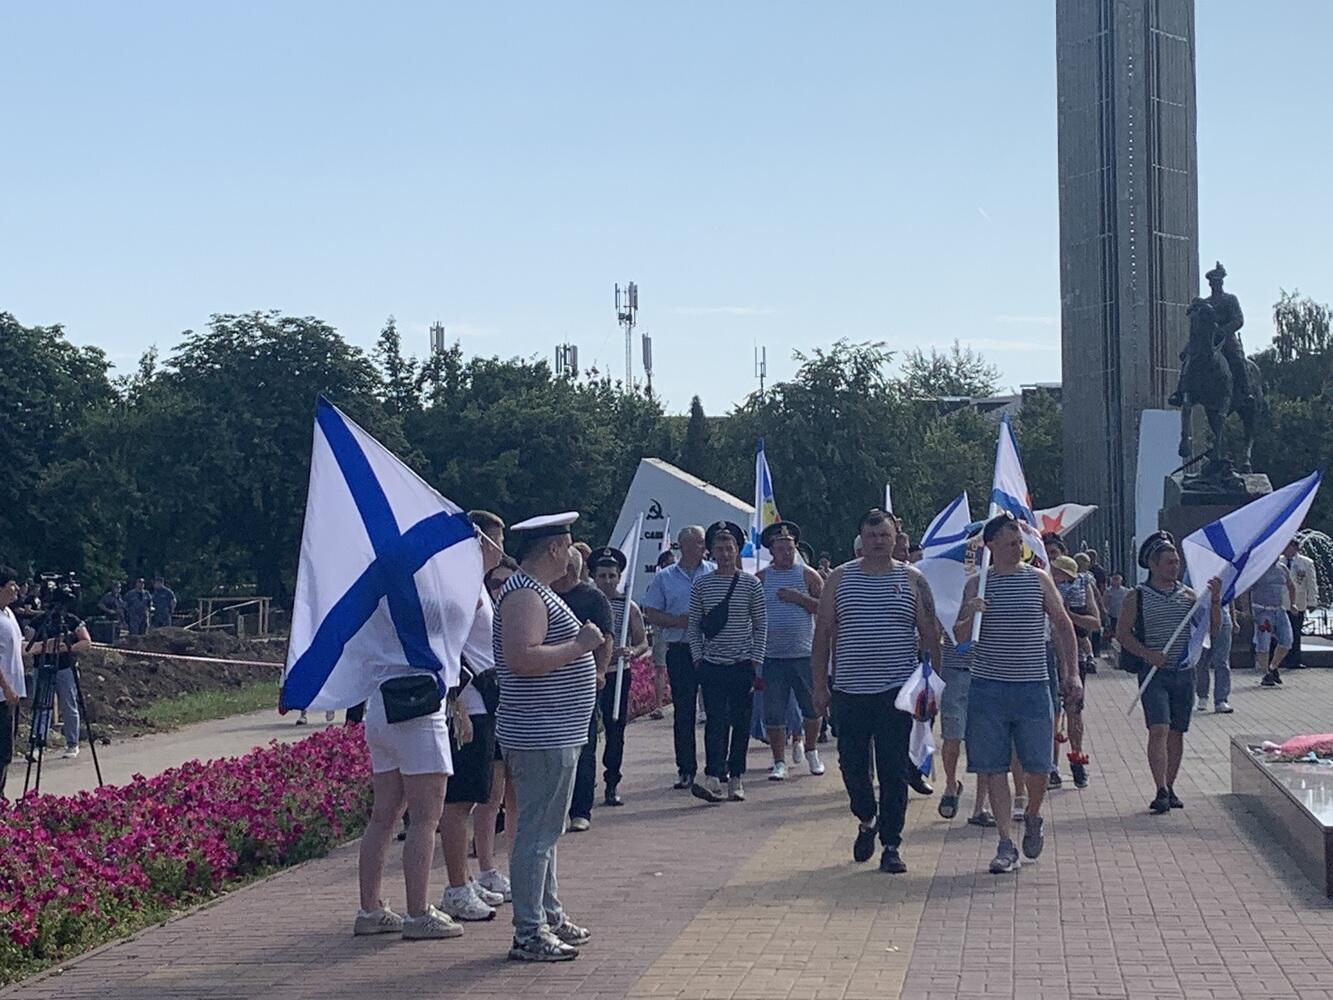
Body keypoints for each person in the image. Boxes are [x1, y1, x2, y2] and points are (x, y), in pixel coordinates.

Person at [495, 511, 601, 962]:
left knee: (545, 832)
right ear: (554, 548)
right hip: (541, 732)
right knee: (536, 835)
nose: (574, 553)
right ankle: (528, 931)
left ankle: (548, 914)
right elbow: (522, 658)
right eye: (569, 545)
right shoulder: (525, 595)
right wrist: (579, 647)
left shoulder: (535, 591)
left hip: (554, 730)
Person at [812, 508, 940, 874]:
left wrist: (933, 687)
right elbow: (822, 634)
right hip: (850, 691)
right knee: (853, 767)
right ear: (861, 540)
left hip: (896, 692)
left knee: (894, 770)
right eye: (871, 536)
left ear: (896, 538)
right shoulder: (840, 579)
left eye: (885, 535)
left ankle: (891, 843)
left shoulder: (912, 580)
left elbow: (930, 635)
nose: (879, 542)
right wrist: (819, 686)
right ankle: (867, 818)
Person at [954, 513, 1080, 874]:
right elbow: (960, 639)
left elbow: (1063, 625)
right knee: (994, 766)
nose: (1016, 548)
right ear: (991, 546)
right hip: (988, 687)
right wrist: (970, 614)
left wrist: (1072, 673)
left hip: (1032, 685)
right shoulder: (977, 585)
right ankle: (1005, 842)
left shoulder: (1038, 579)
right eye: (1010, 543)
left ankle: (1034, 814)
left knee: (1038, 765)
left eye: (1019, 542)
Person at [436, 511, 511, 924]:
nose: (501, 549)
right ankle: (455, 888)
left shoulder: (478, 585)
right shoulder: (463, 586)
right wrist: (458, 702)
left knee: (478, 795)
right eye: (496, 540)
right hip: (471, 702)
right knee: (459, 800)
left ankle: (467, 877)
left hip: (487, 700)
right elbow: (450, 648)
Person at [1116, 531, 1220, 815]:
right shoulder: (1136, 596)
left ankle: (1171, 786)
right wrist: (1147, 653)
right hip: (1154, 674)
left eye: (1177, 562)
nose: (1175, 567)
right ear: (1153, 565)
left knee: (1176, 732)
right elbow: (1122, 634)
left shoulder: (1188, 596)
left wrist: (1215, 602)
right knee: (1158, 728)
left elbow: (1211, 630)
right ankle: (1160, 788)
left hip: (1183, 673)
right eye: (1169, 562)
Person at [687, 520, 766, 804]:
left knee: (741, 723)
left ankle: (736, 776)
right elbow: (694, 625)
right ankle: (712, 775)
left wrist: (756, 659)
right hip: (711, 664)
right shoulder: (701, 584)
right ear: (711, 551)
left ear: (736, 550)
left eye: (729, 548)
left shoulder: (751, 584)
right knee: (715, 722)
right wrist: (698, 657)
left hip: (742, 663)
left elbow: (760, 624)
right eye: (719, 548)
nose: (724, 554)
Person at [641, 525, 715, 790]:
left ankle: (716, 767)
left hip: (711, 649)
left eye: (703, 542)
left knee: (715, 710)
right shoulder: (665, 577)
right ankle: (685, 768)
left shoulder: (713, 572)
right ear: (682, 546)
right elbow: (651, 612)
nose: (702, 547)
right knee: (684, 711)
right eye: (697, 542)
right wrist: (676, 621)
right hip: (681, 649)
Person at [756, 522, 824, 780]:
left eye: (790, 547)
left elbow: (825, 609)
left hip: (803, 654)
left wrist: (800, 599)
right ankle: (778, 760)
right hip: (772, 655)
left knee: (811, 706)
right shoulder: (762, 578)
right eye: (781, 548)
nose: (786, 552)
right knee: (774, 711)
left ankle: (812, 750)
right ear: (771, 550)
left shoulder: (808, 575)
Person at [554, 549, 614, 832]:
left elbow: (606, 638)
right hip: (550, 681)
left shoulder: (593, 598)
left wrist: (600, 671)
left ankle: (580, 810)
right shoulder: (544, 595)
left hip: (582, 684)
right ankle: (557, 809)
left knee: (584, 746)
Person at [589, 546, 649, 806]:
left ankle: (612, 782)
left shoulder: (628, 606)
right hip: (589, 674)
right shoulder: (587, 602)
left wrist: (632, 652)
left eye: (612, 576)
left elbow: (643, 641)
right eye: (602, 576)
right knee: (587, 731)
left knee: (615, 730)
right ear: (594, 576)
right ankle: (585, 780)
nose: (607, 581)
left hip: (617, 674)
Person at [1168, 261, 1251, 407]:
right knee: (1187, 358)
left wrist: (1223, 330)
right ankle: (1180, 392)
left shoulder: (1230, 299)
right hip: (1206, 339)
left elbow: (1238, 320)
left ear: (1221, 282)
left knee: (1237, 358)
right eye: (1212, 282)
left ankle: (1246, 392)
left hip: (1225, 338)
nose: (1214, 285)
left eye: (1217, 282)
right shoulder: (1205, 303)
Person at [26, 583, 93, 760]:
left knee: (68, 704)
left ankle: (72, 743)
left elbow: (87, 642)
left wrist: (68, 647)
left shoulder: (72, 621)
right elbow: (28, 645)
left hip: (65, 667)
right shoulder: (38, 622)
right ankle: (37, 744)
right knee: (42, 706)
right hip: (43, 667)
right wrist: (45, 647)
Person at [1050, 555, 1101, 788]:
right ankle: (1051, 767)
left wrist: (1069, 617)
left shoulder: (1082, 586)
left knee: (1074, 711)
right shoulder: (1039, 584)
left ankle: (1077, 761)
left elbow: (1095, 622)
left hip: (1074, 660)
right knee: (1050, 714)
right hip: (1045, 657)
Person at [1247, 556, 1296, 687]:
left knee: (1287, 640)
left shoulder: (1282, 568)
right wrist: (1248, 610)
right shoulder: (1259, 568)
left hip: (1279, 609)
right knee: (1263, 643)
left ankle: (1273, 667)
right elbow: (1246, 589)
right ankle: (1265, 673)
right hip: (1262, 610)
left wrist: (1293, 603)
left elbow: (1291, 586)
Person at [0, 567, 27, 799]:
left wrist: (48, 646)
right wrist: (6, 687)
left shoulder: (9, 614)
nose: (16, 589)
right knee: (1, 751)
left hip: (13, 695)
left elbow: (19, 649)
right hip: (2, 695)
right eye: (11, 585)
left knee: (7, 749)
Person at [647, 549, 676, 720]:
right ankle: (658, 705)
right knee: (660, 668)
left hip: (680, 630)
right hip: (661, 630)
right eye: (670, 563)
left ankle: (701, 708)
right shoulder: (657, 582)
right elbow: (651, 609)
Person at [1284, 538, 1319, 670]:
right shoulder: (1278, 561)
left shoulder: (1306, 562)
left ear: (1295, 548)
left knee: (1295, 632)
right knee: (1281, 633)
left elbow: (1311, 583)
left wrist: (1312, 601)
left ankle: (1294, 660)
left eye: (1289, 547)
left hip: (1298, 603)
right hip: (1281, 603)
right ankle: (1279, 659)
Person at [1195, 601, 1234, 714]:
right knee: (1201, 662)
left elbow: (1230, 598)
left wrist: (1234, 619)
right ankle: (1202, 696)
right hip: (1201, 622)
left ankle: (1221, 700)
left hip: (1223, 620)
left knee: (1222, 662)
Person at [1104, 572, 1130, 643]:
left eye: (1117, 579)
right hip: (1112, 615)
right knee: (1113, 632)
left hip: (1123, 615)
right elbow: (1105, 603)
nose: (1115, 581)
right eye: (1114, 579)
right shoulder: (1108, 591)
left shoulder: (1126, 591)